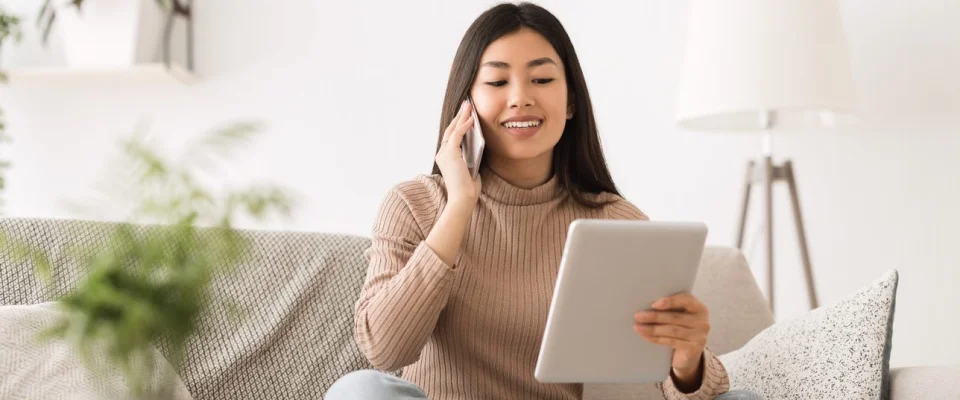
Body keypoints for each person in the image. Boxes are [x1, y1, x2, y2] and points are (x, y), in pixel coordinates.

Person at [327, 3, 763, 400]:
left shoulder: (616, 222)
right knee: (360, 391)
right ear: (467, 104)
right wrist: (459, 204)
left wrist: (688, 362)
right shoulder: (414, 204)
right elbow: (384, 349)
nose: (521, 96)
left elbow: (653, 377)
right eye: (497, 81)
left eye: (542, 79)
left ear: (571, 101)